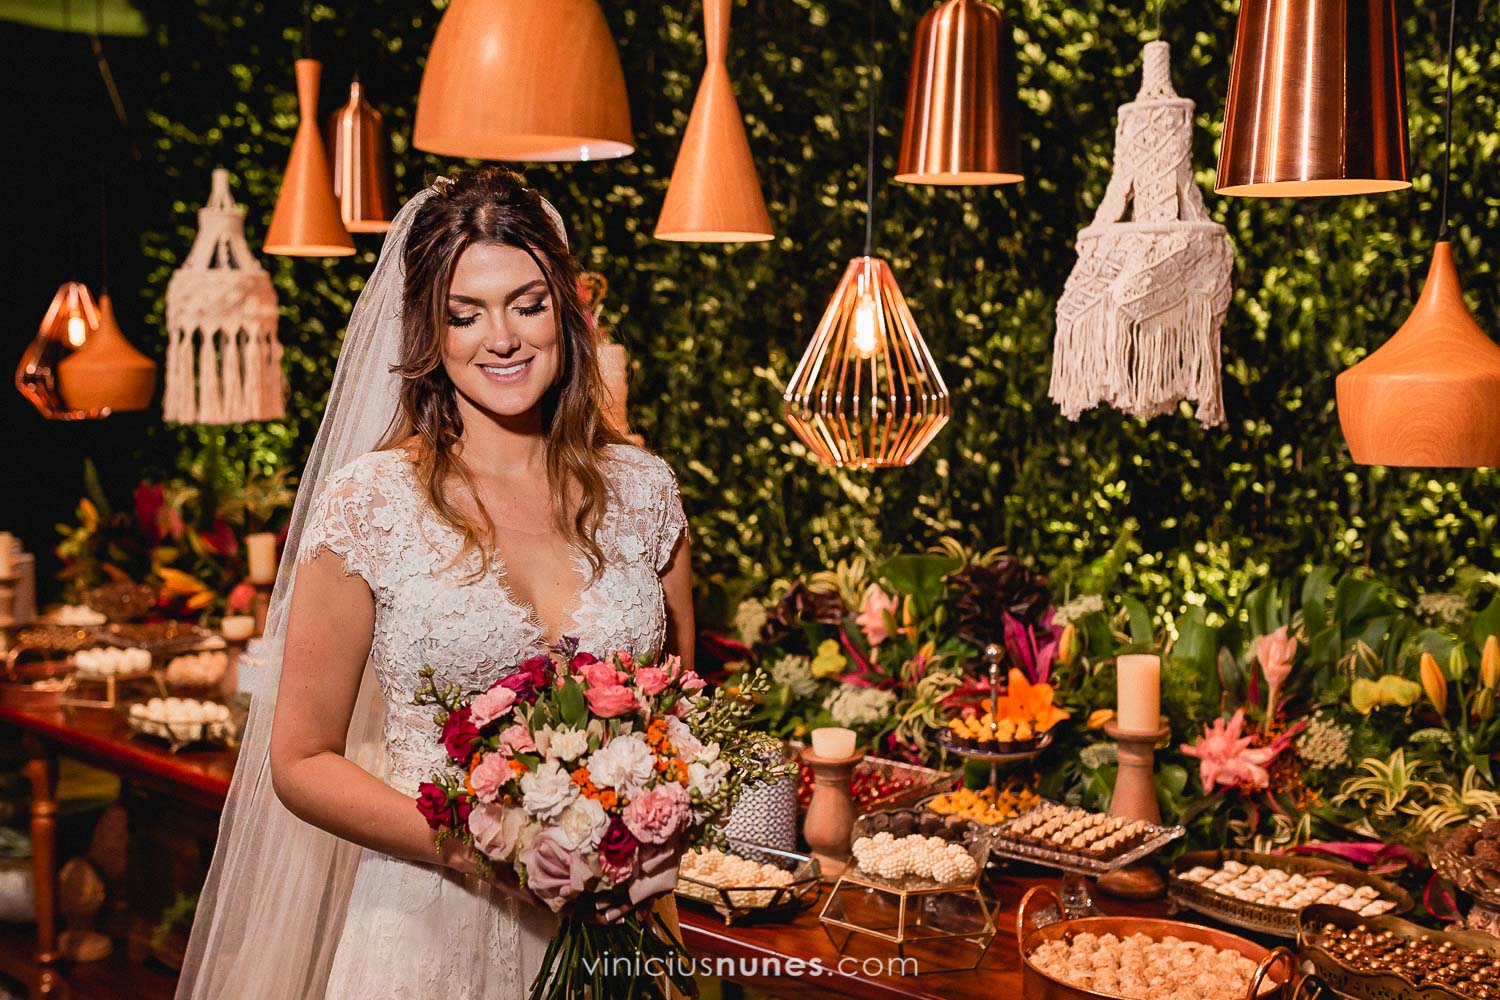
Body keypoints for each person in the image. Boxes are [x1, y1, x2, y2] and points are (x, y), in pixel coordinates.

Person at [176, 166, 693, 998]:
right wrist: (495, 849)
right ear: (428, 331)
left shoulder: (643, 491)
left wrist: (651, 825)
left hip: (615, 933)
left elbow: (670, 720)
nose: (503, 337)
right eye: (466, 313)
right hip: (429, 926)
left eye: (527, 304)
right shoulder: (369, 504)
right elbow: (302, 759)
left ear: (567, 310)